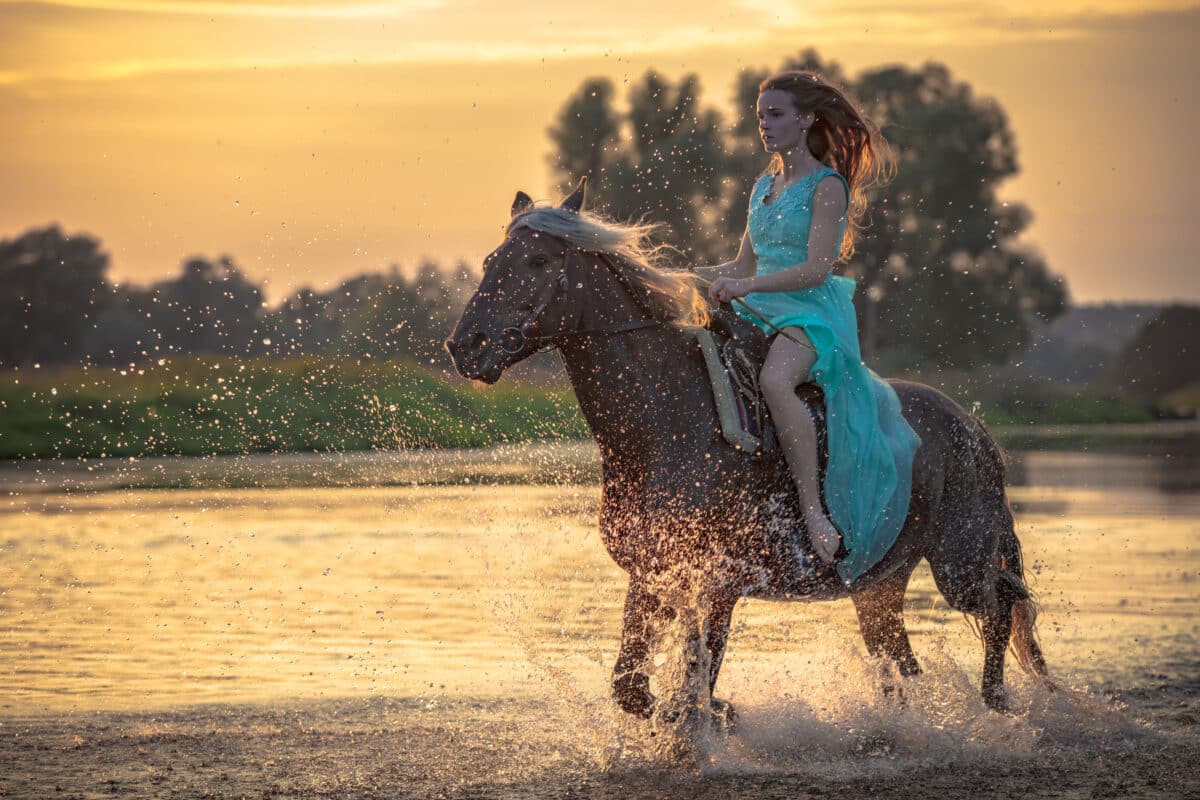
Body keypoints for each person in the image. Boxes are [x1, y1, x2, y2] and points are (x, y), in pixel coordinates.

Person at [695, 71, 921, 584]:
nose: (765, 126)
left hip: (811, 315)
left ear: (805, 119)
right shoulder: (761, 186)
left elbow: (817, 268)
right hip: (761, 309)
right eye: (760, 117)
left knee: (776, 381)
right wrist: (679, 277)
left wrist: (748, 288)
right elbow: (738, 265)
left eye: (775, 115)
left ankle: (814, 512)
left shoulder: (828, 186)